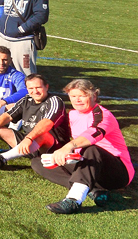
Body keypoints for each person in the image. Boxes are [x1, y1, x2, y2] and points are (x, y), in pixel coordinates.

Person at [30, 79, 134, 214]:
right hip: (89, 167)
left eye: (82, 96)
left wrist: (69, 146)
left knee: (91, 149)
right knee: (38, 162)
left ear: (94, 96)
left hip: (118, 172)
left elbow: (95, 133)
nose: (77, 100)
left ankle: (74, 200)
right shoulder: (73, 114)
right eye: (73, 96)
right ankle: (91, 189)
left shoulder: (103, 114)